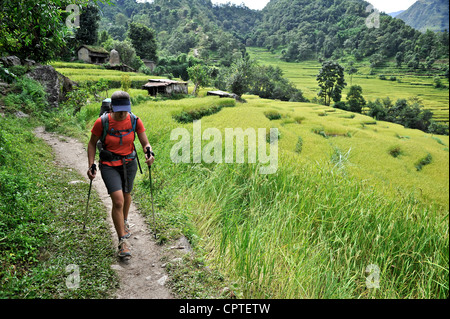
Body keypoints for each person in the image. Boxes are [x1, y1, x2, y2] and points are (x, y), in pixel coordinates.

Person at [87, 91, 154, 258]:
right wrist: (91, 164)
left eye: (126, 109)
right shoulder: (102, 122)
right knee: (118, 200)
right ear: (112, 108)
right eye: (119, 110)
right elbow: (92, 143)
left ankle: (123, 221)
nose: (123, 113)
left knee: (126, 194)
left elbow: (144, 141)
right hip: (109, 165)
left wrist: (148, 152)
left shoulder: (134, 120)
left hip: (129, 163)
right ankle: (122, 241)